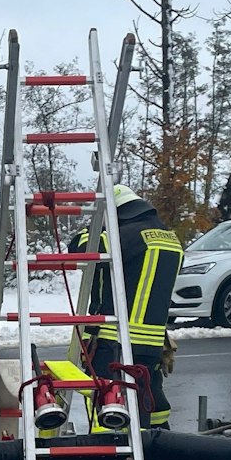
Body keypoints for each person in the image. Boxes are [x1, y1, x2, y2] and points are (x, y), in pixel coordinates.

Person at [76, 184, 183, 430]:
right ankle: (156, 456)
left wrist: (94, 227)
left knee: (111, 409)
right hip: (153, 344)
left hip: (114, 342)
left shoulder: (124, 236)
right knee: (149, 404)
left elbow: (81, 249)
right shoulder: (170, 238)